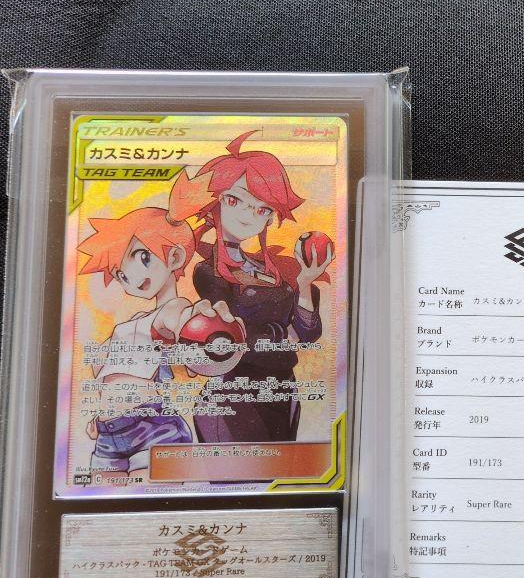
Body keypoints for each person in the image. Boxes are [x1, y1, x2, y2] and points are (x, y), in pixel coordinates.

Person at [77, 171, 237, 474]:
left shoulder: (171, 310)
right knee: (102, 499)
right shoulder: (131, 324)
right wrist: (99, 415)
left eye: (142, 258)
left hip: (153, 427)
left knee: (155, 497)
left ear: (174, 258)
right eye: (121, 274)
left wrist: (209, 329)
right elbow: (108, 376)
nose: (130, 276)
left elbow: (183, 322)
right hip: (107, 435)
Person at [188, 131, 333, 443]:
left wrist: (305, 282)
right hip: (233, 395)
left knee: (280, 471)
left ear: (270, 217)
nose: (247, 214)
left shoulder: (275, 272)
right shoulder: (208, 272)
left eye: (262, 208)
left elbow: (308, 333)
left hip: (283, 390)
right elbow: (231, 337)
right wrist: (284, 333)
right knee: (236, 473)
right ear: (214, 203)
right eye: (234, 200)